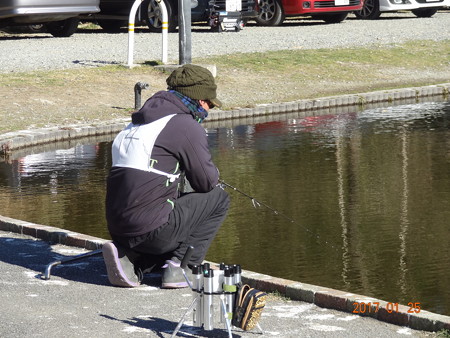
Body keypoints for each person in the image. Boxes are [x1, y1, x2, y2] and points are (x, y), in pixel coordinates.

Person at [102, 64, 230, 288]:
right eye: (209, 103)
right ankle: (181, 268)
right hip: (152, 232)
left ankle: (132, 259)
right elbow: (206, 183)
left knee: (164, 203)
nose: (209, 109)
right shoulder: (185, 125)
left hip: (118, 228)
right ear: (200, 100)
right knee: (218, 198)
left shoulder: (136, 123)